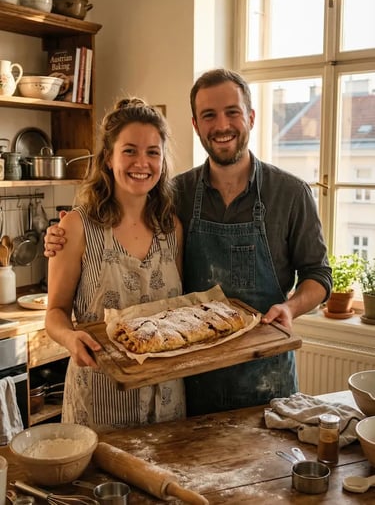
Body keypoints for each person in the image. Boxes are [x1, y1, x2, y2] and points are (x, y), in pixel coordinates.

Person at [45, 68, 332, 417]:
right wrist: (61, 232)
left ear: (251, 118)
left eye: (232, 112)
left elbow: (319, 275)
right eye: (209, 115)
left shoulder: (290, 194)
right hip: (189, 384)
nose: (222, 125)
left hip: (266, 378)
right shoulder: (175, 197)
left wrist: (290, 308)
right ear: (196, 124)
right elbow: (111, 223)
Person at [45, 97, 186, 432]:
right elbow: (55, 312)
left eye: (153, 152)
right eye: (130, 150)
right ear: (108, 158)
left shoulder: (172, 228)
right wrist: (69, 339)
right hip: (100, 399)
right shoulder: (76, 227)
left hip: (166, 400)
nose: (142, 162)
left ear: (163, 161)